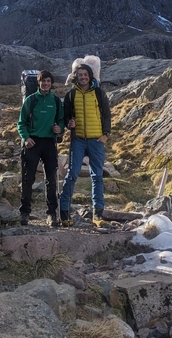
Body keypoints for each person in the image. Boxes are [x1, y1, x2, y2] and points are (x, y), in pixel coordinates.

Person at [59, 63, 111, 227]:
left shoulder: (99, 93)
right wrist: (69, 124)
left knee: (97, 176)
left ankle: (98, 215)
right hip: (78, 140)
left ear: (90, 76)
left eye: (85, 74)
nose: (83, 77)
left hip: (97, 140)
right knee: (72, 175)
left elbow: (107, 114)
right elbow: (66, 117)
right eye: (79, 74)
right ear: (76, 76)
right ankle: (64, 214)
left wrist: (106, 135)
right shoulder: (71, 95)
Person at [17, 70, 64, 227]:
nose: (45, 84)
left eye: (48, 81)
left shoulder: (56, 102)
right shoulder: (31, 100)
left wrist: (60, 129)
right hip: (32, 142)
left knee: (51, 179)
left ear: (51, 84)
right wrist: (26, 138)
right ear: (38, 82)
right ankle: (25, 212)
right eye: (43, 81)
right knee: (27, 178)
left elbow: (61, 121)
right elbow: (21, 122)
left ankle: (52, 214)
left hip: (49, 143)